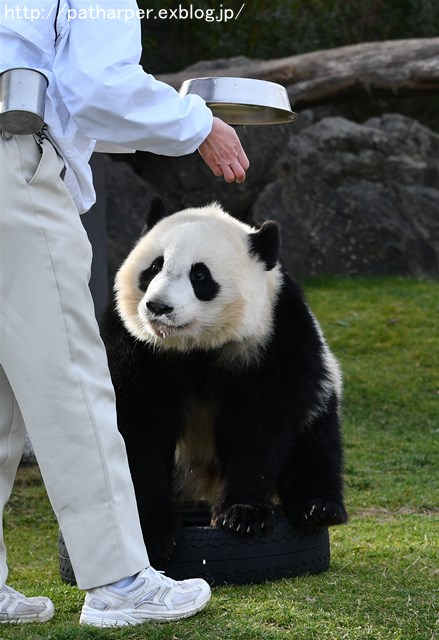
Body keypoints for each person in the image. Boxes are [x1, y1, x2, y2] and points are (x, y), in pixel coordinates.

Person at [0, 0, 249, 627]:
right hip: (16, 170)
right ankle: (117, 580)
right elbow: (98, 88)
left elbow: (76, 97)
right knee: (71, 380)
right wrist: (199, 124)